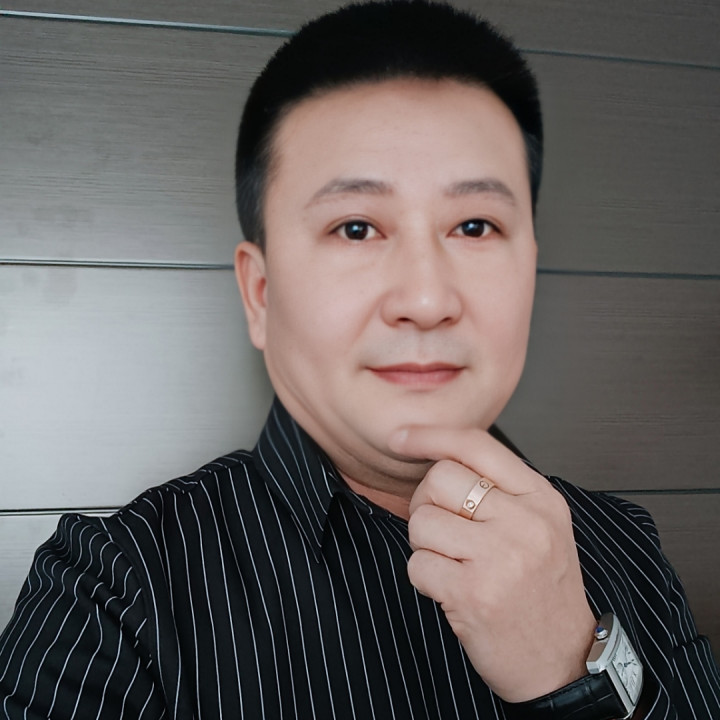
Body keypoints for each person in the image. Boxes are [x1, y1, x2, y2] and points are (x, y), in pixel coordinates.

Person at [1, 1, 718, 718]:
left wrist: (572, 668)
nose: (427, 299)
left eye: (475, 226)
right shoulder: (114, 589)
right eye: (355, 228)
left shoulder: (624, 543)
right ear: (260, 292)